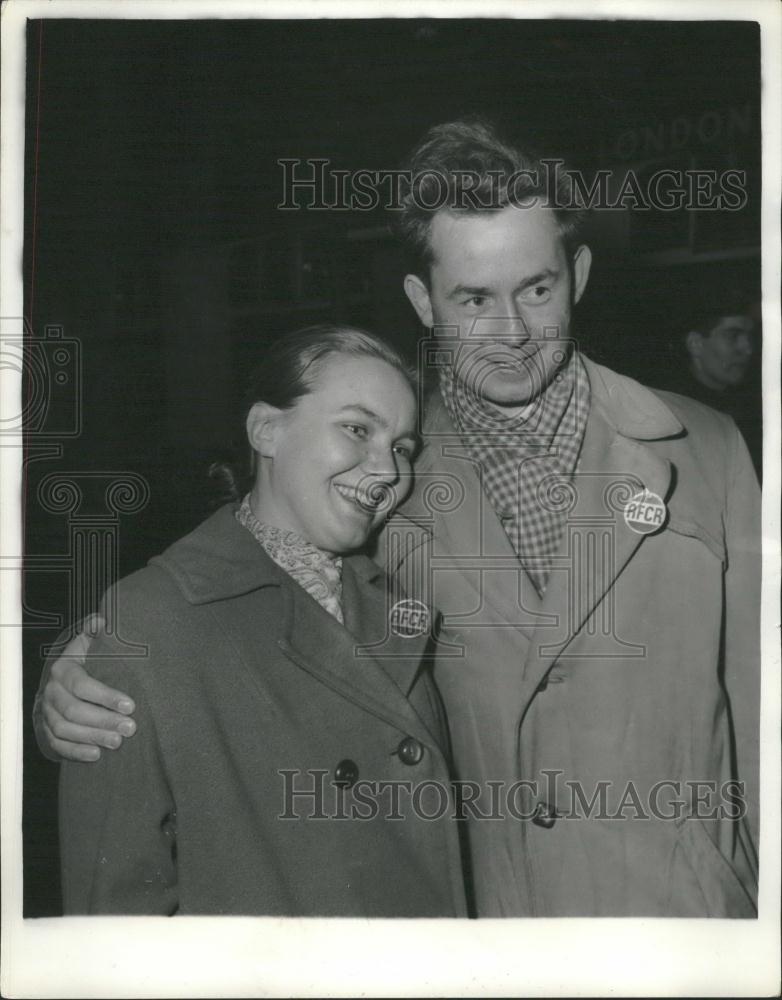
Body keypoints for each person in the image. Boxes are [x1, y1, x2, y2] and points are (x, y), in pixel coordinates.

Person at [37, 120, 760, 918]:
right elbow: (247, 585)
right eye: (474, 299)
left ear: (579, 272)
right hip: (486, 932)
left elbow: (768, 707)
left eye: (538, 289)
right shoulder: (381, 484)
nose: (512, 332)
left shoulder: (710, 450)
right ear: (422, 299)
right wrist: (81, 670)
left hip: (686, 930)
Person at [53, 323, 469, 917]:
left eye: (402, 447)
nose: (387, 472)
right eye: (357, 429)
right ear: (266, 430)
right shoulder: (150, 619)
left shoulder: (397, 597)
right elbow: (111, 918)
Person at [664, 294, 762, 477]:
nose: (748, 349)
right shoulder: (673, 414)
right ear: (695, 344)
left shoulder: (751, 405)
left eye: (750, 336)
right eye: (733, 336)